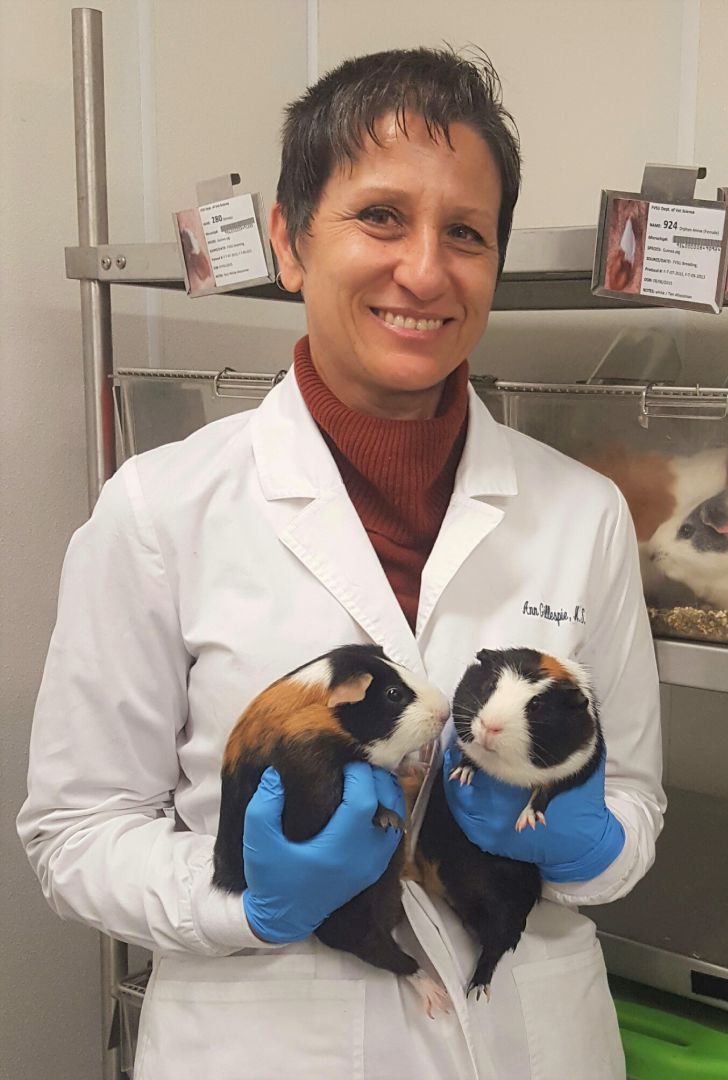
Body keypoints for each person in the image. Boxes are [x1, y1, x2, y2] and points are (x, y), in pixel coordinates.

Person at [19, 47, 664, 1080]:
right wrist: (245, 895)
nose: (424, 270)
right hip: (266, 1040)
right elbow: (74, 833)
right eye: (380, 218)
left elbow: (633, 809)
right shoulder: (160, 508)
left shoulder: (581, 513)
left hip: (528, 1039)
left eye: (465, 233)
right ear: (288, 239)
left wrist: (589, 847)